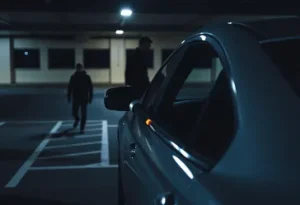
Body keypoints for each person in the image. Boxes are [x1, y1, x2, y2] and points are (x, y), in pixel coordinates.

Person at [67, 63, 93, 134]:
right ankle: (77, 119)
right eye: (77, 68)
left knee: (83, 114)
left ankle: (82, 128)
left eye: (80, 68)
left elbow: (90, 88)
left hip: (84, 97)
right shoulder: (73, 77)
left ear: (82, 68)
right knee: (74, 112)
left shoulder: (86, 77)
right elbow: (70, 87)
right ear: (76, 69)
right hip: (76, 97)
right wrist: (69, 96)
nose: (79, 69)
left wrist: (90, 97)